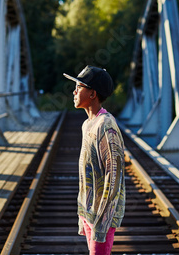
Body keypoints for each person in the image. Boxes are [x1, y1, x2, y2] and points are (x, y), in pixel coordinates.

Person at [63, 65, 125, 255]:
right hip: (89, 212)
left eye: (79, 86)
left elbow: (113, 177)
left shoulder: (106, 126)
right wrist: (82, 214)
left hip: (101, 217)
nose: (74, 91)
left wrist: (102, 223)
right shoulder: (87, 124)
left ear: (92, 94)